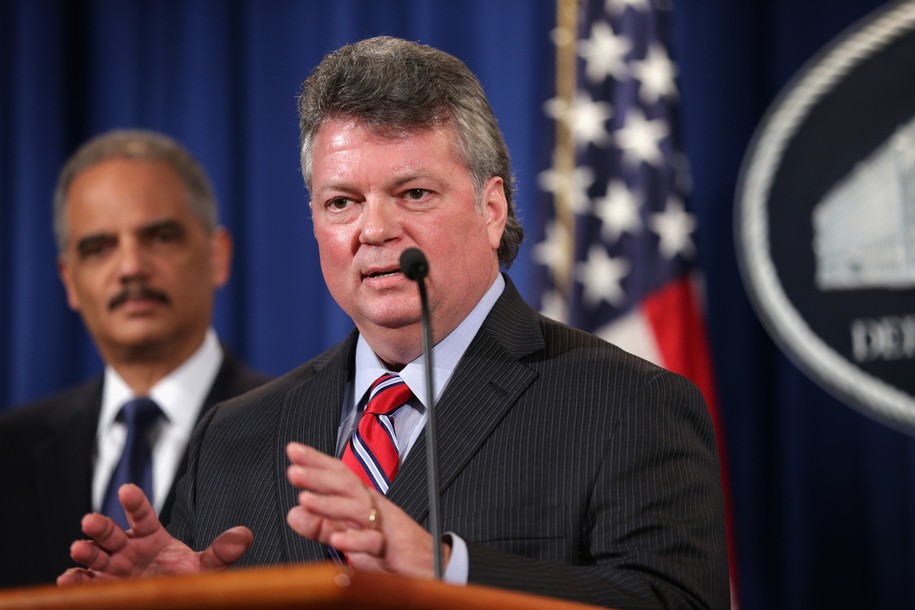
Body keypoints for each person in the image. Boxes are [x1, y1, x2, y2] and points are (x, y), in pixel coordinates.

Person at [57, 38, 729, 608]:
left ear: (491, 208)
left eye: (413, 193)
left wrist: (447, 568)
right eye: (342, 201)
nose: (373, 231)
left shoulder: (628, 405)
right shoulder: (233, 435)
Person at [0, 129, 270, 588]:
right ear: (69, 280)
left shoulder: (296, 434)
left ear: (216, 256)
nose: (130, 267)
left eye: (160, 237)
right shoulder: (8, 452)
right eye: (98, 248)